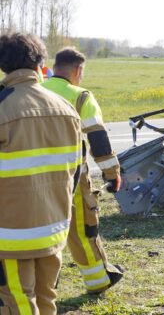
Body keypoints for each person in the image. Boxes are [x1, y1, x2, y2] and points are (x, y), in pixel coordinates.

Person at [0, 33, 82, 315]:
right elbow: (76, 172)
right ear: (40, 63)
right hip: (54, 227)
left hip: (11, 234)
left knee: (18, 301)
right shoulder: (66, 107)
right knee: (47, 297)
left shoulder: (3, 106)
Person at [42, 47, 124, 295]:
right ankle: (98, 279)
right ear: (78, 70)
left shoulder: (35, 91)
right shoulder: (81, 97)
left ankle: (45, 284)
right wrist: (112, 174)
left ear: (54, 68)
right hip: (73, 176)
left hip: (32, 176)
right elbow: (98, 139)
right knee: (83, 228)